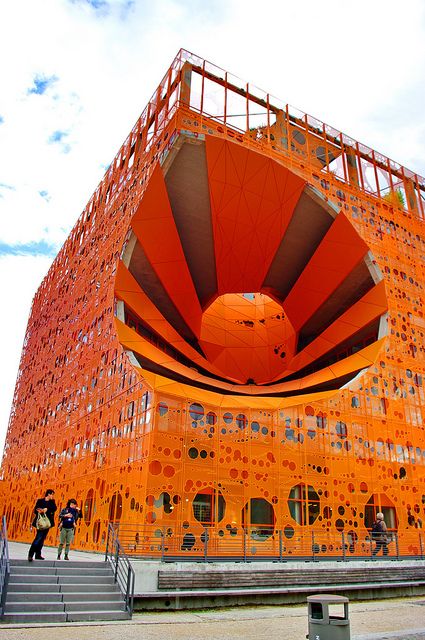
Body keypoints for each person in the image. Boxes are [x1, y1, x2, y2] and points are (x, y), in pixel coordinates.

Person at [28, 489, 57, 561]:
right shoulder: (40, 501)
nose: (52, 496)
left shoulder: (52, 502)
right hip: (40, 523)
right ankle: (31, 554)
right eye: (52, 494)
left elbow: (54, 508)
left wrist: (47, 509)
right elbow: (35, 510)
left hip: (47, 523)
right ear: (48, 494)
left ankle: (38, 554)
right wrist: (41, 510)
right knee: (38, 537)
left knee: (42, 539)